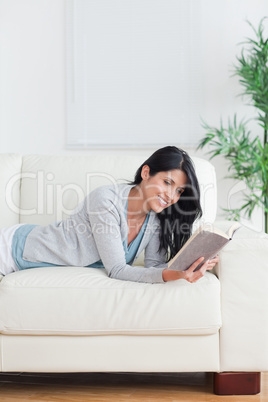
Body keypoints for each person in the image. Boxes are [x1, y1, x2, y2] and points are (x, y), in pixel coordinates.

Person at [0, 146, 219, 282]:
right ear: (146, 173)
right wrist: (173, 275)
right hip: (13, 249)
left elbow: (154, 267)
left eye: (179, 191)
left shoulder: (156, 218)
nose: (172, 196)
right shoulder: (105, 200)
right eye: (167, 182)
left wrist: (189, 264)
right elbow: (116, 269)